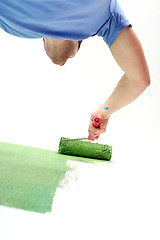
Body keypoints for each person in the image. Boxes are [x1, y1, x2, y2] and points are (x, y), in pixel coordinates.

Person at [0, 0, 150, 140]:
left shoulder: (9, 17)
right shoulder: (105, 14)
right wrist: (105, 111)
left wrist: (103, 111)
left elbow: (138, 80)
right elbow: (138, 80)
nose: (63, 62)